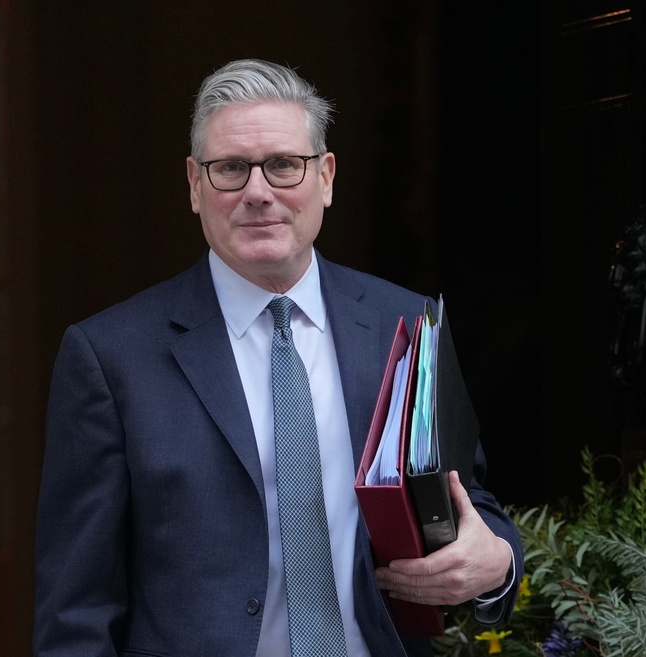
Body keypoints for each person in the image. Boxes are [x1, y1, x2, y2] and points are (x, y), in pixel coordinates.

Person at [33, 58, 522, 657]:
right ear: (193, 184)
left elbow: (472, 502)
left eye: (284, 165)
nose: (258, 193)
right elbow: (76, 610)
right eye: (231, 169)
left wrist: (497, 563)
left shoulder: (406, 324)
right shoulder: (110, 358)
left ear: (326, 177)